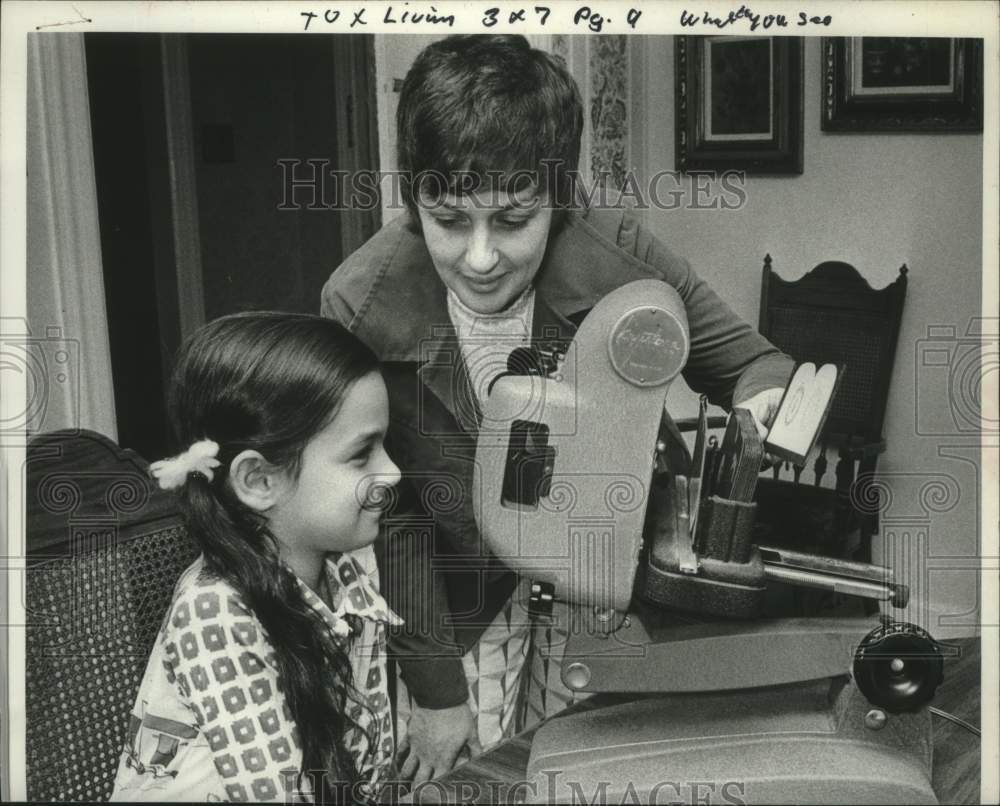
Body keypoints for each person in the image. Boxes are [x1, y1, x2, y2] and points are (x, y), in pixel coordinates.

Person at [321, 34, 795, 783]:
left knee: (592, 770)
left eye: (513, 221)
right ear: (413, 201)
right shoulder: (358, 305)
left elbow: (754, 366)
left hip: (602, 570)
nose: (479, 258)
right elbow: (394, 515)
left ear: (561, 197)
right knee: (468, 779)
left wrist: (768, 413)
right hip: (458, 596)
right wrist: (437, 692)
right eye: (449, 220)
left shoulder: (621, 256)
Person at [111, 312, 402, 803]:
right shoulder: (213, 612)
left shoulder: (349, 571)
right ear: (260, 481)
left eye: (385, 445)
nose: (392, 472)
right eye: (362, 454)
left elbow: (369, 762)